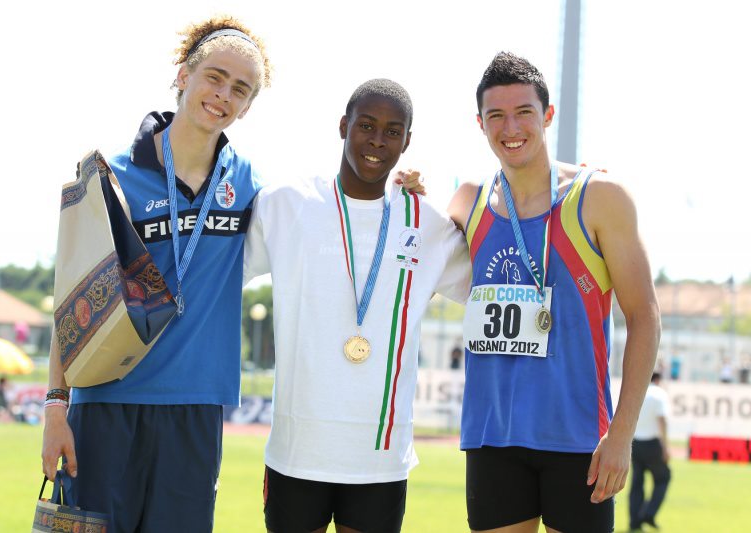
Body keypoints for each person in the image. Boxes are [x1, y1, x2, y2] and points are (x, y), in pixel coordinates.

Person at [41, 15, 272, 533]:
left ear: (248, 106)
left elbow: (323, 216)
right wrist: (56, 407)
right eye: (214, 77)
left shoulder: (250, 185)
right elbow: (70, 302)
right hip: (107, 403)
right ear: (183, 75)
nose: (224, 95)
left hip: (195, 407)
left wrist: (400, 189)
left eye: (240, 89)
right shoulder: (112, 177)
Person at [244, 79, 471, 533]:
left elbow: (486, 281)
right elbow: (221, 277)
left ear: (407, 142)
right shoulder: (285, 203)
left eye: (392, 131)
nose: (377, 140)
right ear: (343, 126)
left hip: (380, 458)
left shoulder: (426, 223)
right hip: (298, 451)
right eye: (366, 126)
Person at [447, 52, 661, 533]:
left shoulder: (600, 198)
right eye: (496, 115)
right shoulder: (468, 201)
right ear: (480, 124)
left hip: (579, 438)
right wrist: (408, 191)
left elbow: (645, 317)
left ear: (547, 114)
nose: (510, 128)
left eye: (524, 112)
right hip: (492, 436)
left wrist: (621, 434)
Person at [629, 371, 671, 532]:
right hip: (652, 443)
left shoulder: (639, 392)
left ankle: (635, 521)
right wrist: (665, 446)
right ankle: (649, 513)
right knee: (663, 478)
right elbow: (662, 419)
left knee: (637, 483)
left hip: (635, 442)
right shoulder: (659, 394)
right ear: (658, 380)